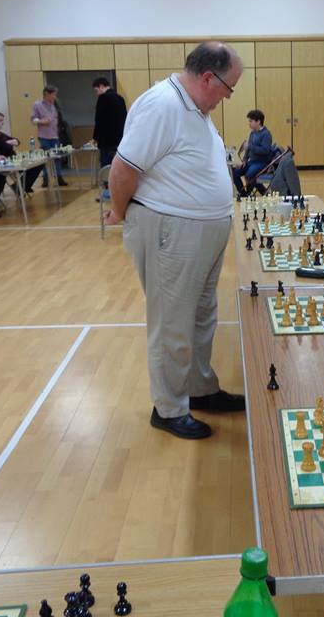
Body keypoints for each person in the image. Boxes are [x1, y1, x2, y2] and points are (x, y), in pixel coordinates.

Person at [105, 42, 246, 439]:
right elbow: (122, 169)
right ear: (208, 78)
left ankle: (199, 389)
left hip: (200, 231)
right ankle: (168, 409)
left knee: (201, 316)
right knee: (173, 324)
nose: (227, 97)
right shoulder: (162, 105)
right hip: (172, 231)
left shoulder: (196, 109)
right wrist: (120, 212)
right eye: (229, 88)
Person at [0, 110, 42, 194]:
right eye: (0, 120)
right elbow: (4, 146)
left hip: (14, 158)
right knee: (33, 165)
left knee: (39, 163)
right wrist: (10, 143)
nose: (2, 123)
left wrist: (12, 142)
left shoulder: (1, 134)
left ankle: (22, 186)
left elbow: (17, 141)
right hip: (6, 163)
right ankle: (21, 187)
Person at [30, 85, 68, 186]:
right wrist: (41, 121)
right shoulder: (37, 104)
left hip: (55, 135)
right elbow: (33, 119)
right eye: (53, 94)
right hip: (44, 136)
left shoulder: (55, 104)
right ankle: (45, 179)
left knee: (57, 157)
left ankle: (59, 178)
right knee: (45, 158)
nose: (55, 96)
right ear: (46, 94)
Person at [232, 109, 275, 196]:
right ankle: (244, 195)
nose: (249, 123)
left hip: (262, 162)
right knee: (235, 172)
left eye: (251, 121)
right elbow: (248, 150)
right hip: (252, 161)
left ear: (258, 122)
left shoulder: (266, 134)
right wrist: (244, 160)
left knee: (249, 175)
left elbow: (265, 150)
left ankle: (264, 192)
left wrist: (250, 146)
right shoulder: (253, 133)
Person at [92, 77, 127, 168]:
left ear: (101, 86)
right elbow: (125, 118)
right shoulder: (120, 98)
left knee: (106, 166)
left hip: (106, 140)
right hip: (119, 139)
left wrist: (95, 137)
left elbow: (99, 120)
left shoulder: (103, 98)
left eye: (96, 90)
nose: (97, 93)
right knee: (117, 165)